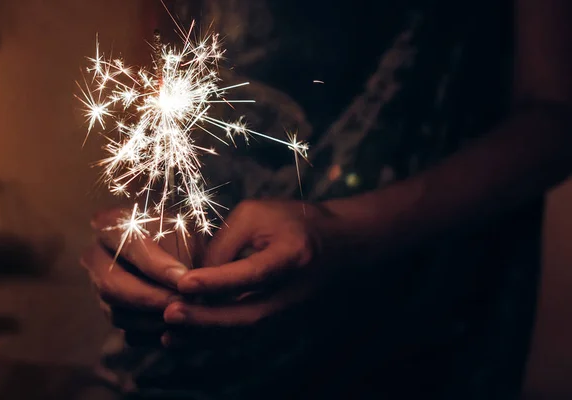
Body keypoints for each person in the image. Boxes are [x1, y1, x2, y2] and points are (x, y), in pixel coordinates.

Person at [81, 0, 572, 398]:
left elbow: (554, 116)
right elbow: (159, 89)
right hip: (195, 339)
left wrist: (349, 231)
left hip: (417, 313)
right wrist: (153, 239)